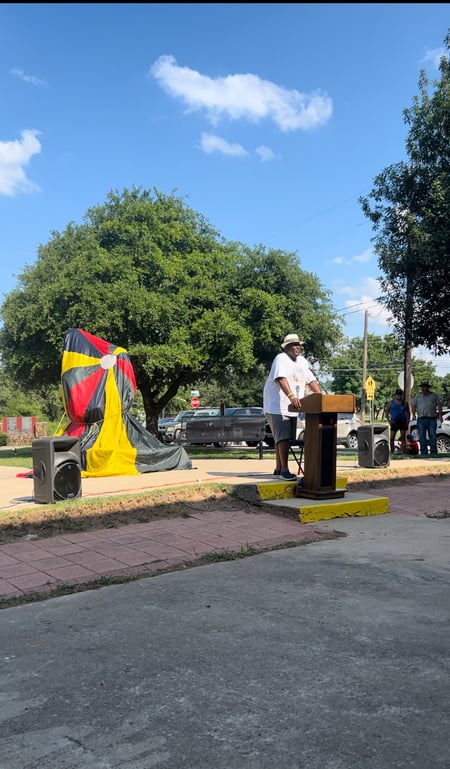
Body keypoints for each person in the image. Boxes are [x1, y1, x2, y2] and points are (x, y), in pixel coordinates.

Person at [263, 333, 321, 480]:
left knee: (282, 438)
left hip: (294, 407)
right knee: (283, 438)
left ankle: (278, 468)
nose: (298, 347)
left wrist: (320, 395)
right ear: (287, 347)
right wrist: (291, 396)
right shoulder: (281, 359)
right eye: (294, 345)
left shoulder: (302, 361)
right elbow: (280, 379)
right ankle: (284, 470)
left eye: (299, 345)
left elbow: (311, 379)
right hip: (277, 405)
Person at [410, 380, 443, 456]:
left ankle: (433, 451)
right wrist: (413, 414)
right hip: (421, 419)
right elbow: (413, 405)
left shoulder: (434, 395)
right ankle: (424, 452)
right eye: (422, 387)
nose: (423, 388)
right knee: (421, 436)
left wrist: (440, 415)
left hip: (432, 418)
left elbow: (439, 405)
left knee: (432, 435)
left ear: (428, 388)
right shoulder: (418, 396)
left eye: (425, 387)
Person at [384, 388, 410, 455]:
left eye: (400, 395)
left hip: (403, 422)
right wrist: (389, 421)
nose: (399, 396)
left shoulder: (405, 403)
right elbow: (386, 412)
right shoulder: (391, 403)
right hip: (394, 422)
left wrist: (407, 421)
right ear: (395, 395)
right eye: (397, 395)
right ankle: (392, 452)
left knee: (403, 438)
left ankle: (403, 452)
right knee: (392, 438)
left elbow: (408, 412)